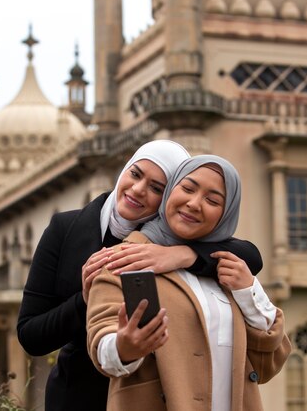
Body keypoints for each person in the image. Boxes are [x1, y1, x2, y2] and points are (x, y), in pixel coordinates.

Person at [16, 141, 264, 411]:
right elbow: (31, 335)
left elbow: (250, 255)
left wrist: (183, 254)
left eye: (157, 188)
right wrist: (85, 300)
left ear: (170, 193)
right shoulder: (66, 228)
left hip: (148, 397)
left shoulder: (170, 233)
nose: (138, 190)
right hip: (81, 393)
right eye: (135, 174)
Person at [87, 155, 291, 411]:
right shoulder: (126, 259)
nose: (195, 204)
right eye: (188, 188)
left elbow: (269, 364)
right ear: (170, 191)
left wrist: (248, 291)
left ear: (226, 214)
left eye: (213, 200)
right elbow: (102, 342)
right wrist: (123, 347)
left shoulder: (229, 269)